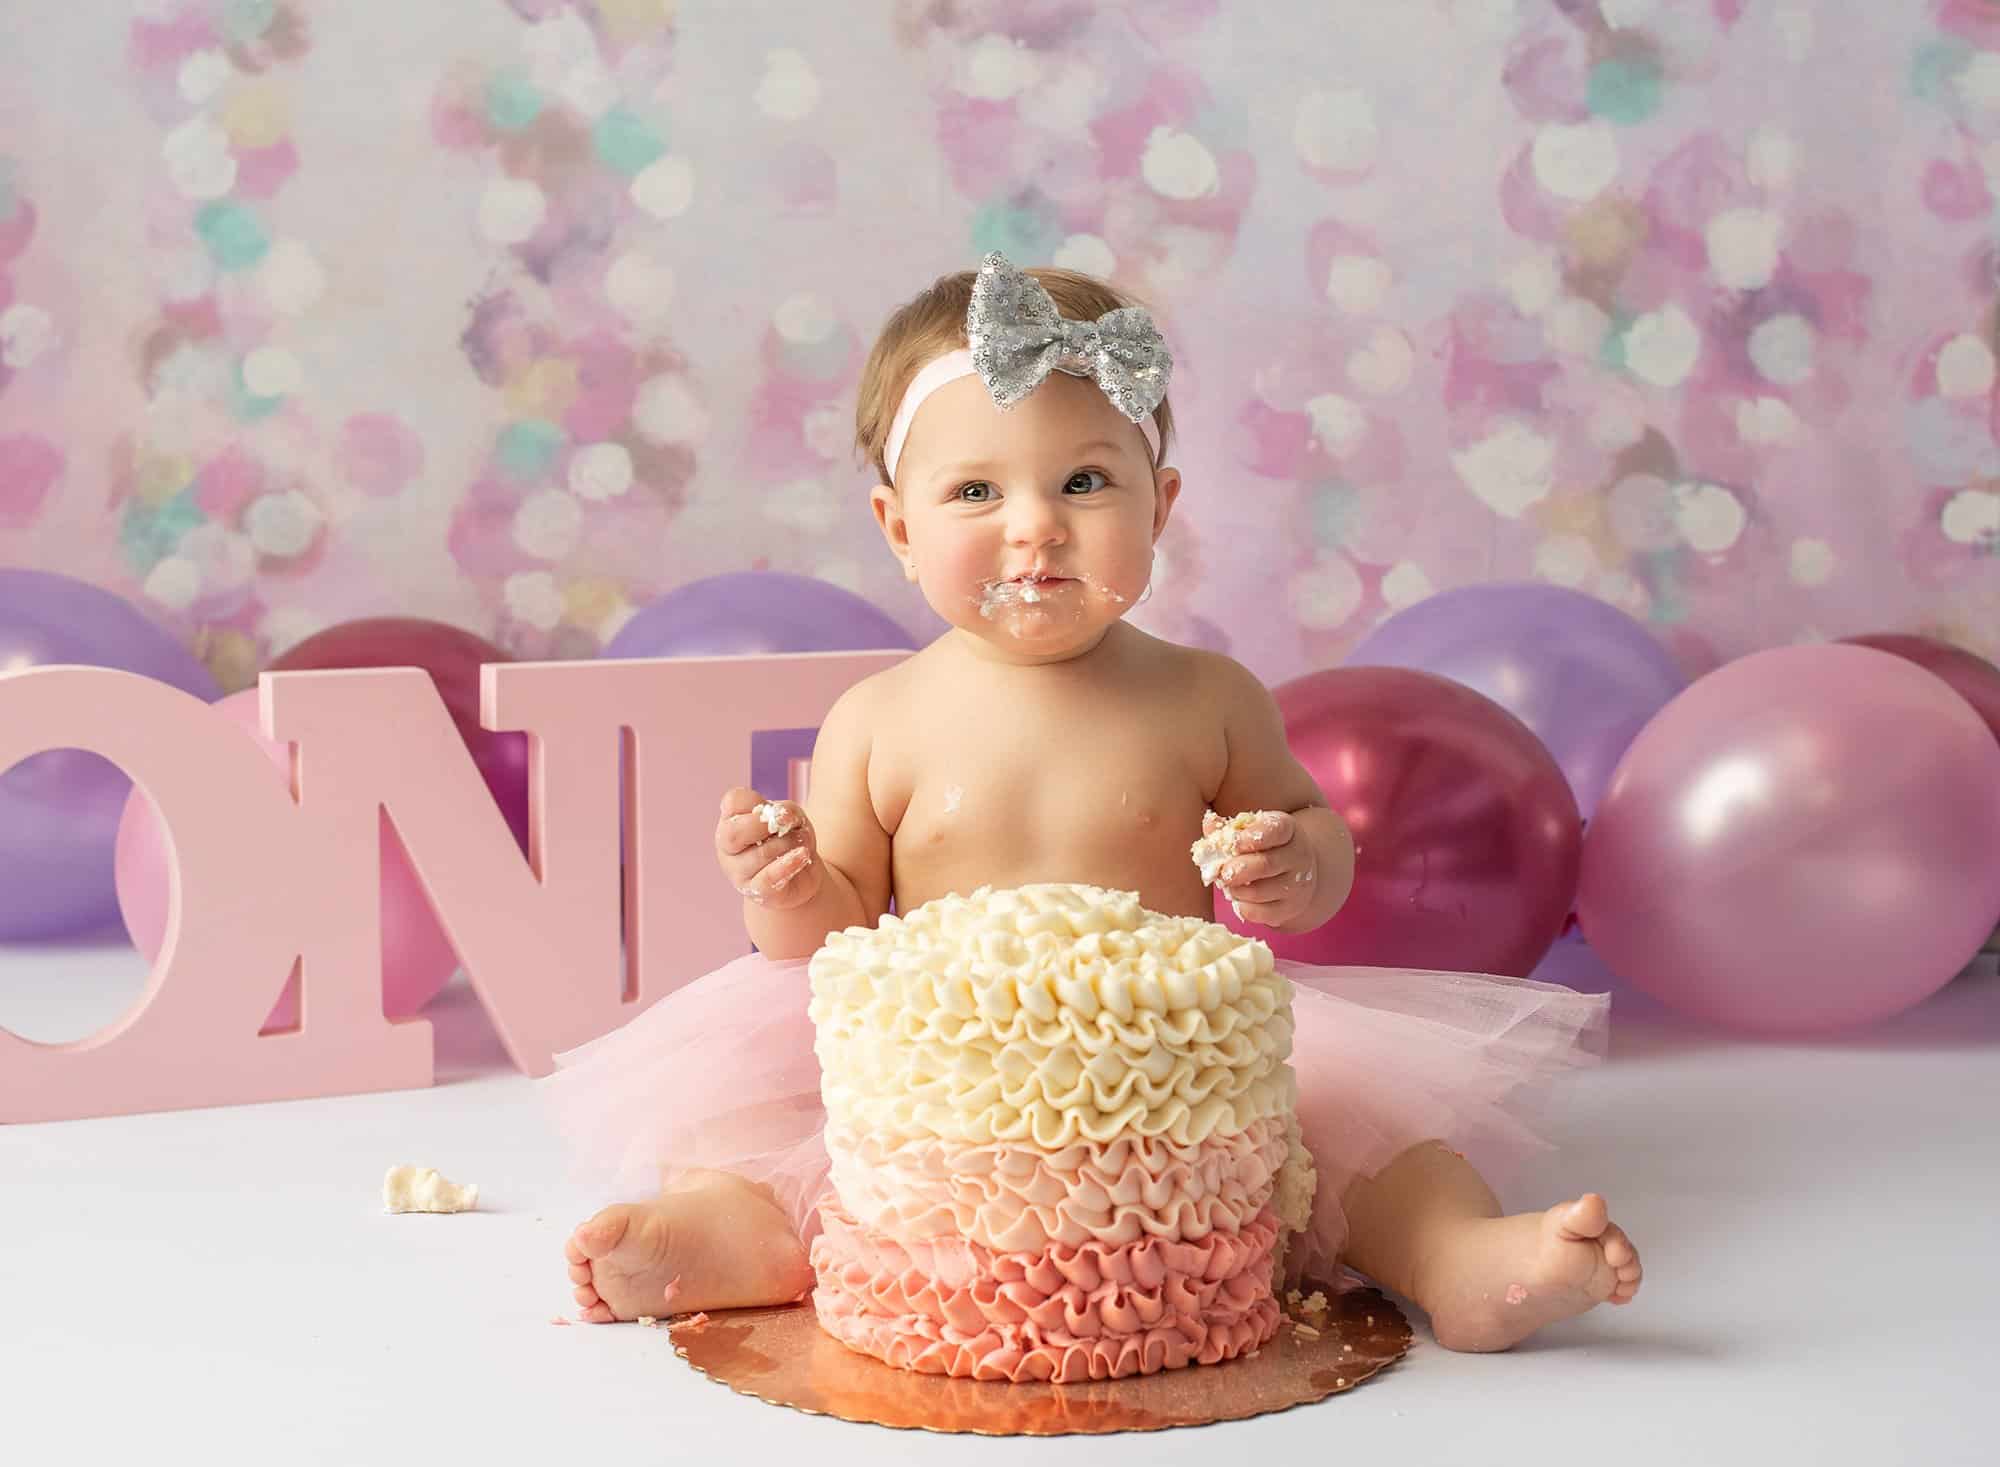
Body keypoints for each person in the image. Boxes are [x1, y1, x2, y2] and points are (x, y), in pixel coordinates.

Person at [548, 253, 1640, 1353]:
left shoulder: (1207, 699)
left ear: (1160, 505)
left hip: (1167, 1079)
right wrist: (787, 885)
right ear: (898, 527)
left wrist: (1294, 863)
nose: (1035, 526)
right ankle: (727, 1236)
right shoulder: (877, 721)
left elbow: (1316, 849)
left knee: (1373, 1138)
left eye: (1082, 482)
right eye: (976, 492)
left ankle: (1457, 1255)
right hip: (944, 1083)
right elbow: (823, 939)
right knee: (754, 1123)